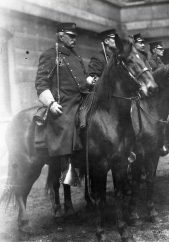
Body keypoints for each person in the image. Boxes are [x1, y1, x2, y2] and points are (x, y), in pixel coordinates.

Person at [35, 22, 94, 184]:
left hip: (84, 98)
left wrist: (89, 80)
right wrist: (51, 103)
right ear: (61, 35)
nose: (75, 39)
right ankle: (67, 168)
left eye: (76, 36)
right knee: (66, 123)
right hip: (65, 102)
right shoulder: (50, 55)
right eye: (71, 36)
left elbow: (81, 79)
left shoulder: (76, 56)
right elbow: (41, 83)